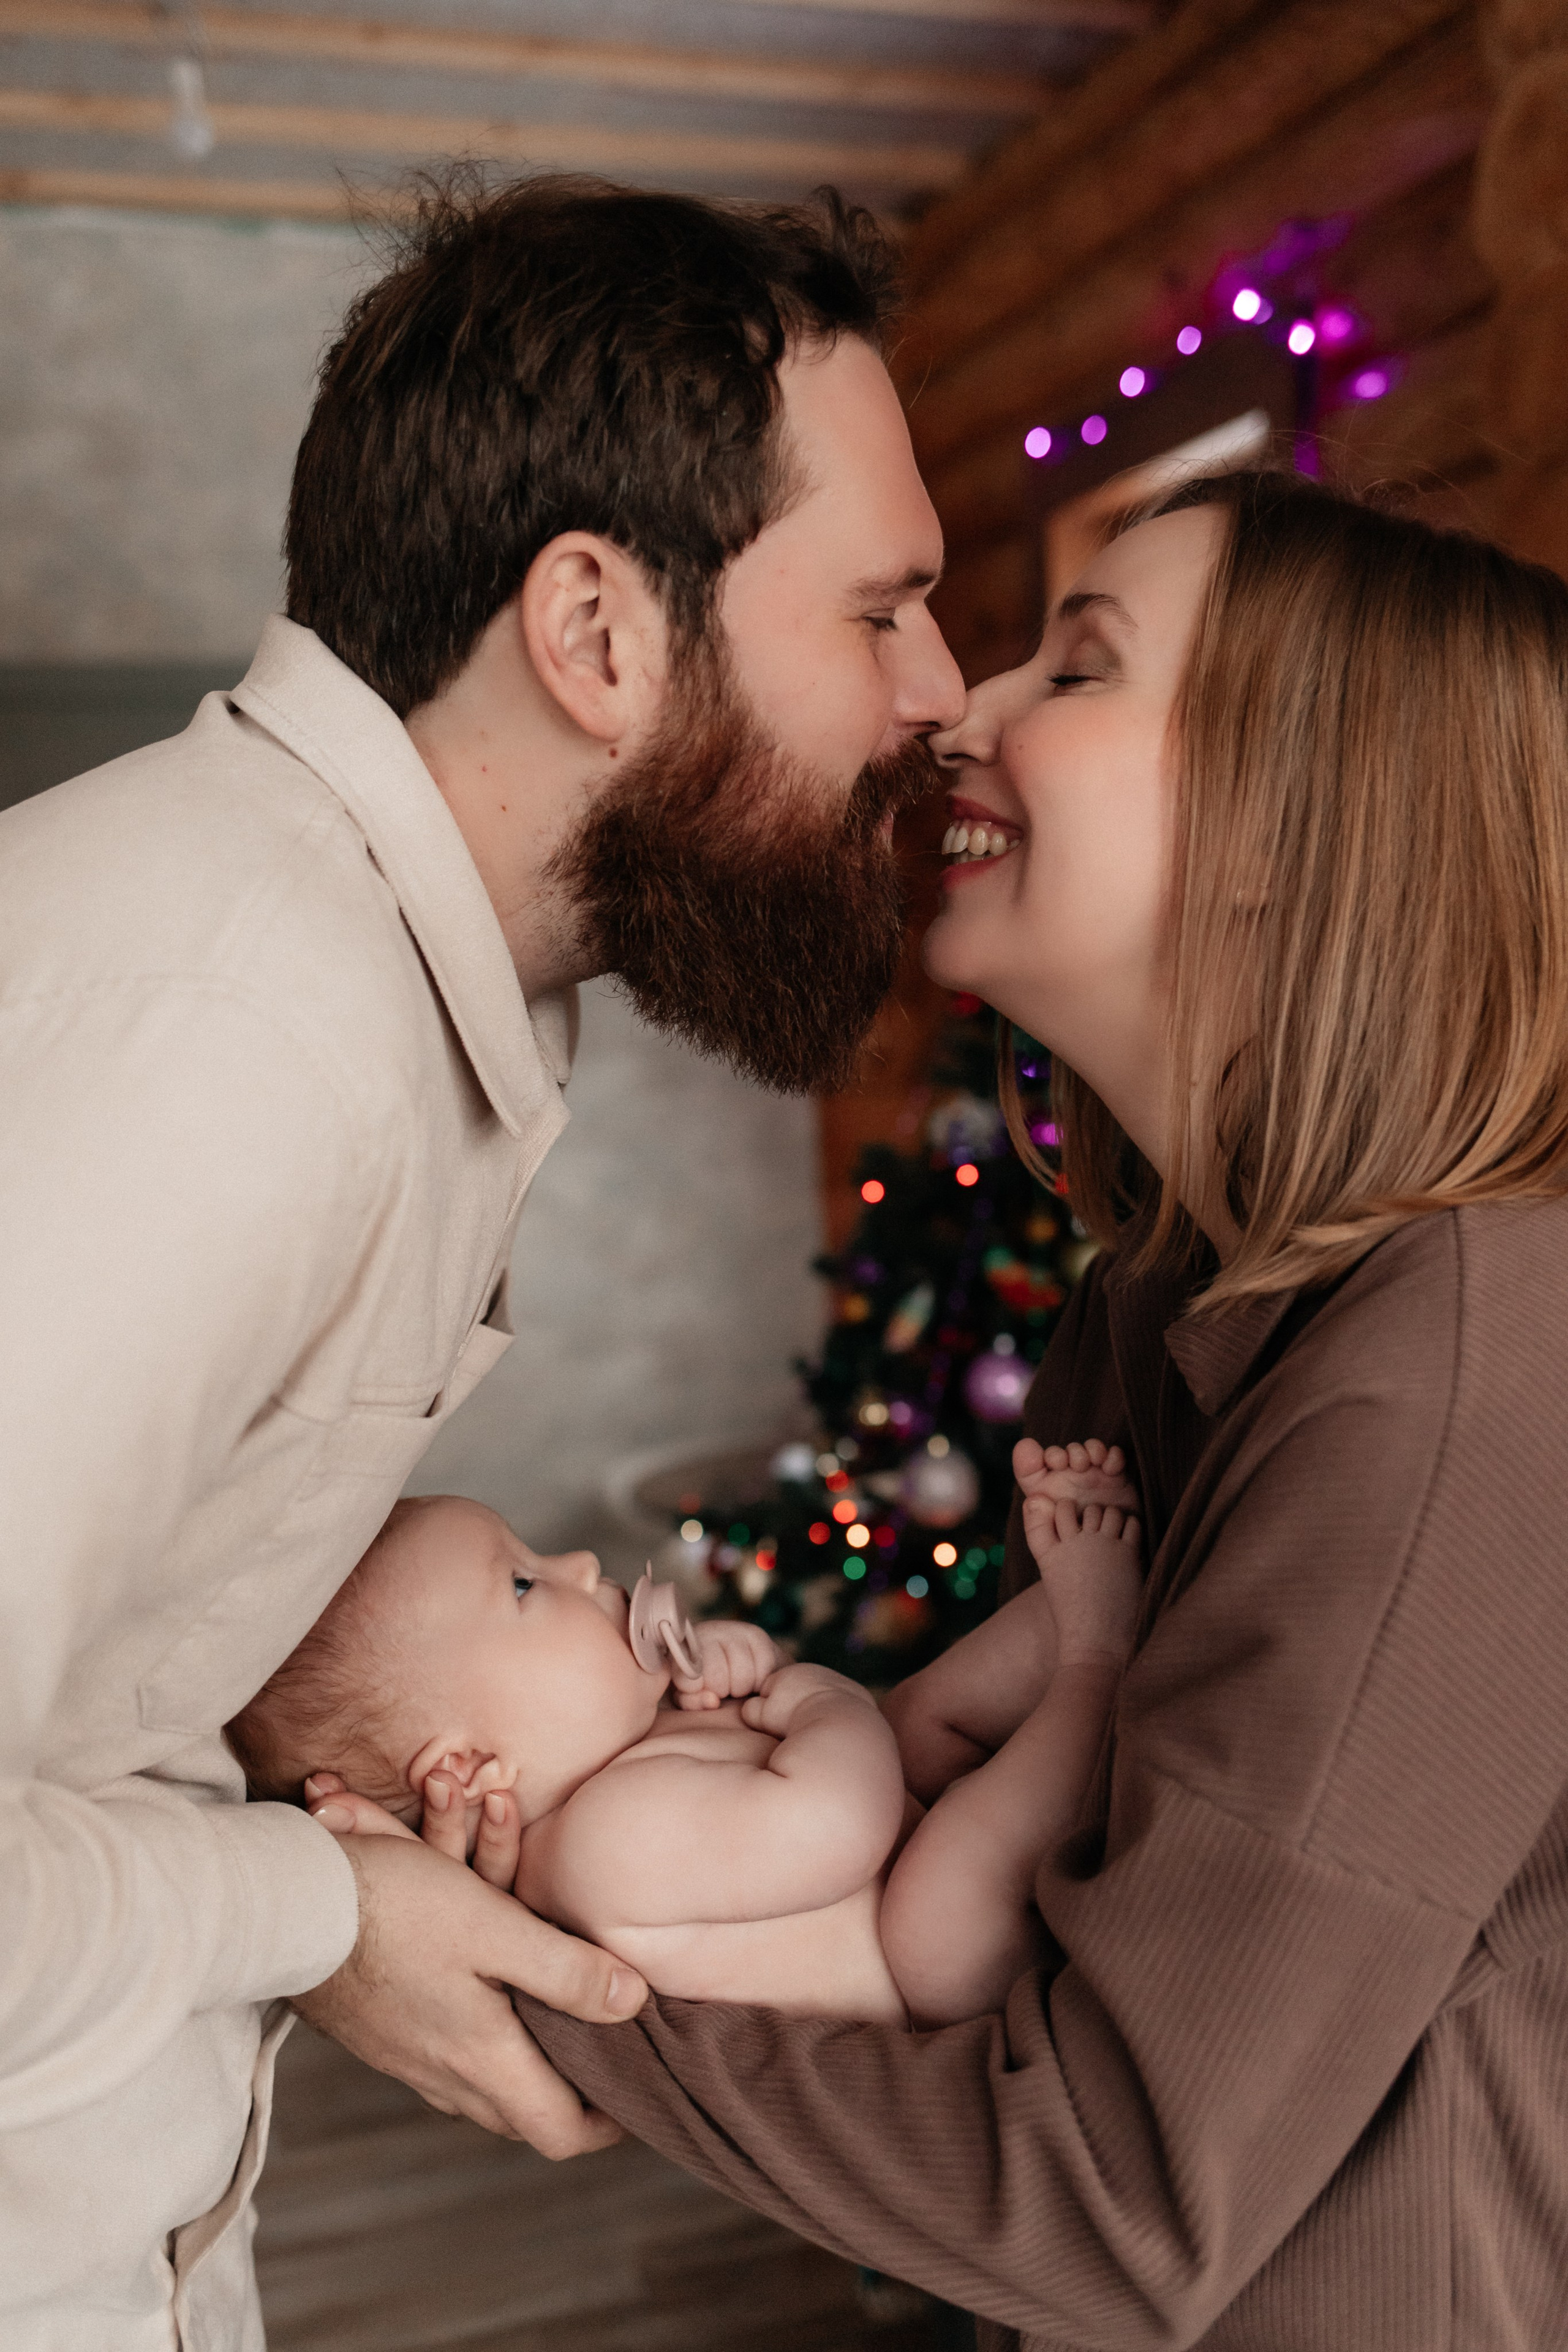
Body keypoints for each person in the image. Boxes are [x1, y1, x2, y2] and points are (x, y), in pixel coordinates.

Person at [0, 174, 963, 2351]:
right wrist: (318, 1902)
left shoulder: (372, 1004)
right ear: (600, 633)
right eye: (882, 608)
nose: (944, 687)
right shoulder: (231, 1051)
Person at [502, 471, 1568, 2351]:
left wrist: (508, 1961)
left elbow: (1116, 2190)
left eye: (1080, 665)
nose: (961, 706)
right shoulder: (1156, 1303)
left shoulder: (1454, 1377)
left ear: (1291, 818)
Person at [230, 1467, 1141, 2030]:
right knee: (935, 1906)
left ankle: (1125, 1596)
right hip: (949, 1969)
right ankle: (1096, 1659)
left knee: (924, 1713)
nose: (581, 1565)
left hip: (904, 1815)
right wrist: (821, 1696)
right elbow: (833, 1823)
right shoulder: (602, 1847)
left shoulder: (620, 1753)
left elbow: (761, 1758)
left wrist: (755, 1667)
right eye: (522, 1584)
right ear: (465, 1769)